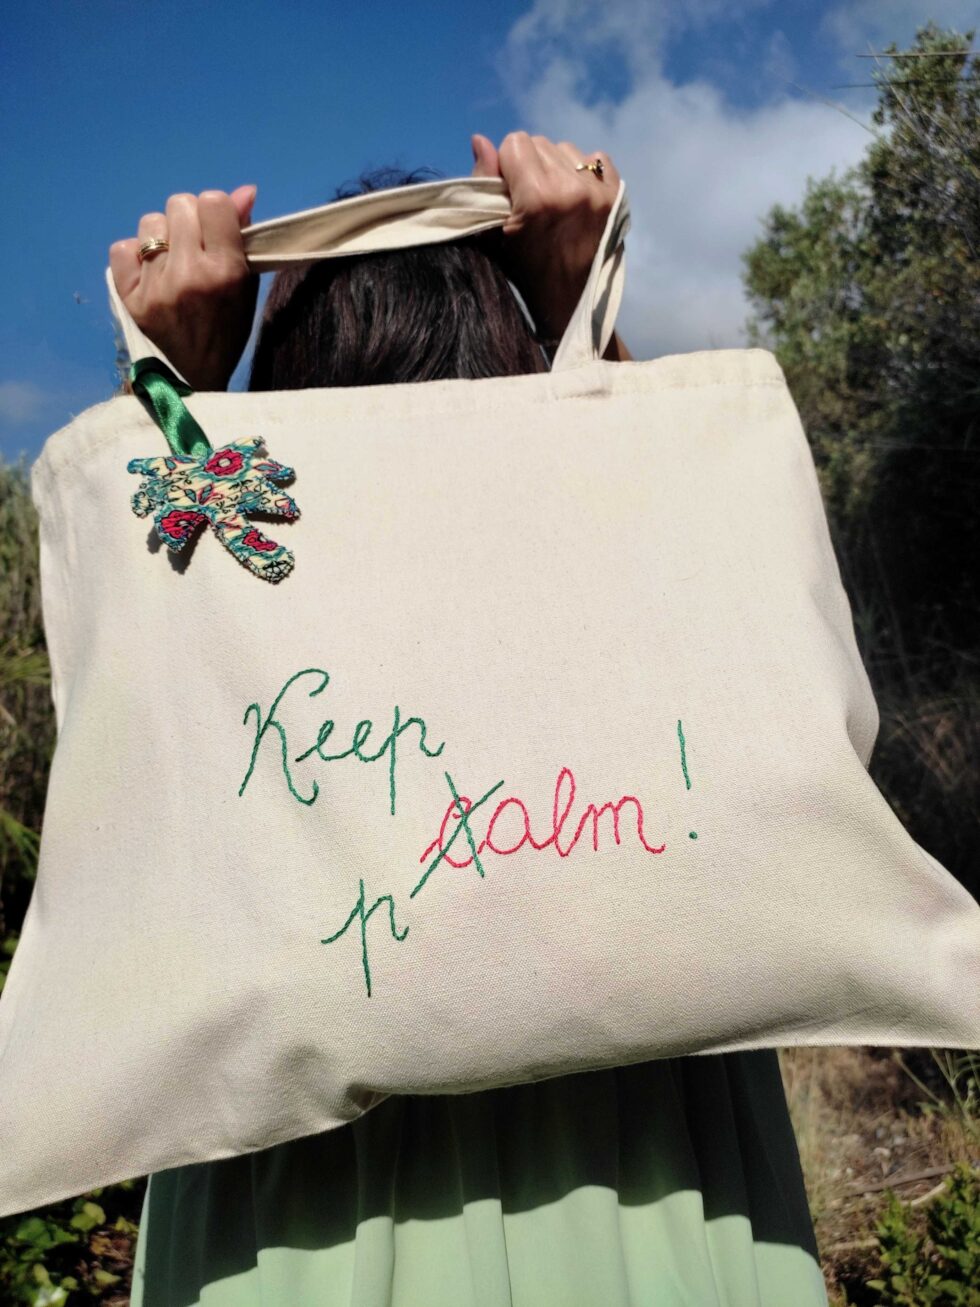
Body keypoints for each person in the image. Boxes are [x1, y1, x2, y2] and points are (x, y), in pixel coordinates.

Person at [111, 132, 830, 1307]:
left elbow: (139, 720)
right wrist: (580, 309)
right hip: (643, 1171)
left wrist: (168, 386)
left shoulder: (242, 593)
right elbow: (733, 616)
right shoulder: (610, 562)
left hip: (290, 1212)